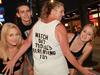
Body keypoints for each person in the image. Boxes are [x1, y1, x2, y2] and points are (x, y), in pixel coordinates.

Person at [3, 1, 96, 75]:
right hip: (48, 71)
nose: (63, 14)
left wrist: (13, 60)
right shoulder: (58, 27)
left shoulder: (37, 24)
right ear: (53, 11)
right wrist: (82, 70)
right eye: (61, 11)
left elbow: (27, 43)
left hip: (50, 71)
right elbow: (67, 53)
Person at [15, 2, 38, 66]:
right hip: (29, 50)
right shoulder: (17, 28)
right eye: (22, 12)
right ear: (18, 15)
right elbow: (22, 45)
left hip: (40, 46)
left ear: (31, 12)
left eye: (27, 11)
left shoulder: (38, 22)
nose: (26, 14)